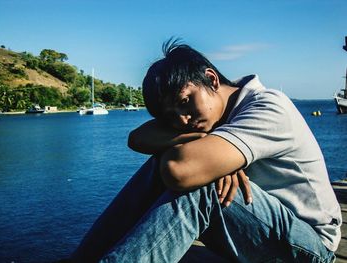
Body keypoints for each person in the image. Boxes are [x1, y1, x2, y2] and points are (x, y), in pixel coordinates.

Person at [69, 39, 341, 262]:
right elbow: (137, 138)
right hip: (259, 231)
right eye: (170, 117)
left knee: (201, 184)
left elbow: (179, 171)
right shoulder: (212, 115)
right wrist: (201, 143)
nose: (182, 120)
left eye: (185, 102)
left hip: (311, 248)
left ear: (211, 79)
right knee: (163, 165)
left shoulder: (268, 106)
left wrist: (197, 154)